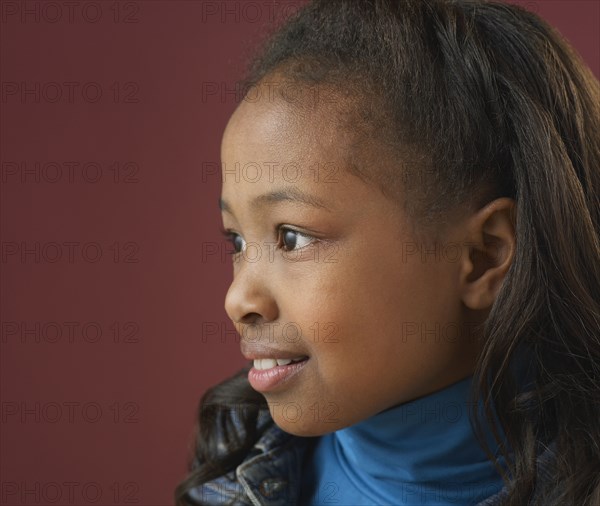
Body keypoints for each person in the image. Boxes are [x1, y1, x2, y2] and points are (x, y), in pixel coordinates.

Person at [176, 0, 600, 504]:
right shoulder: (231, 468)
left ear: (483, 255)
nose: (237, 299)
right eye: (237, 241)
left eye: (292, 237)